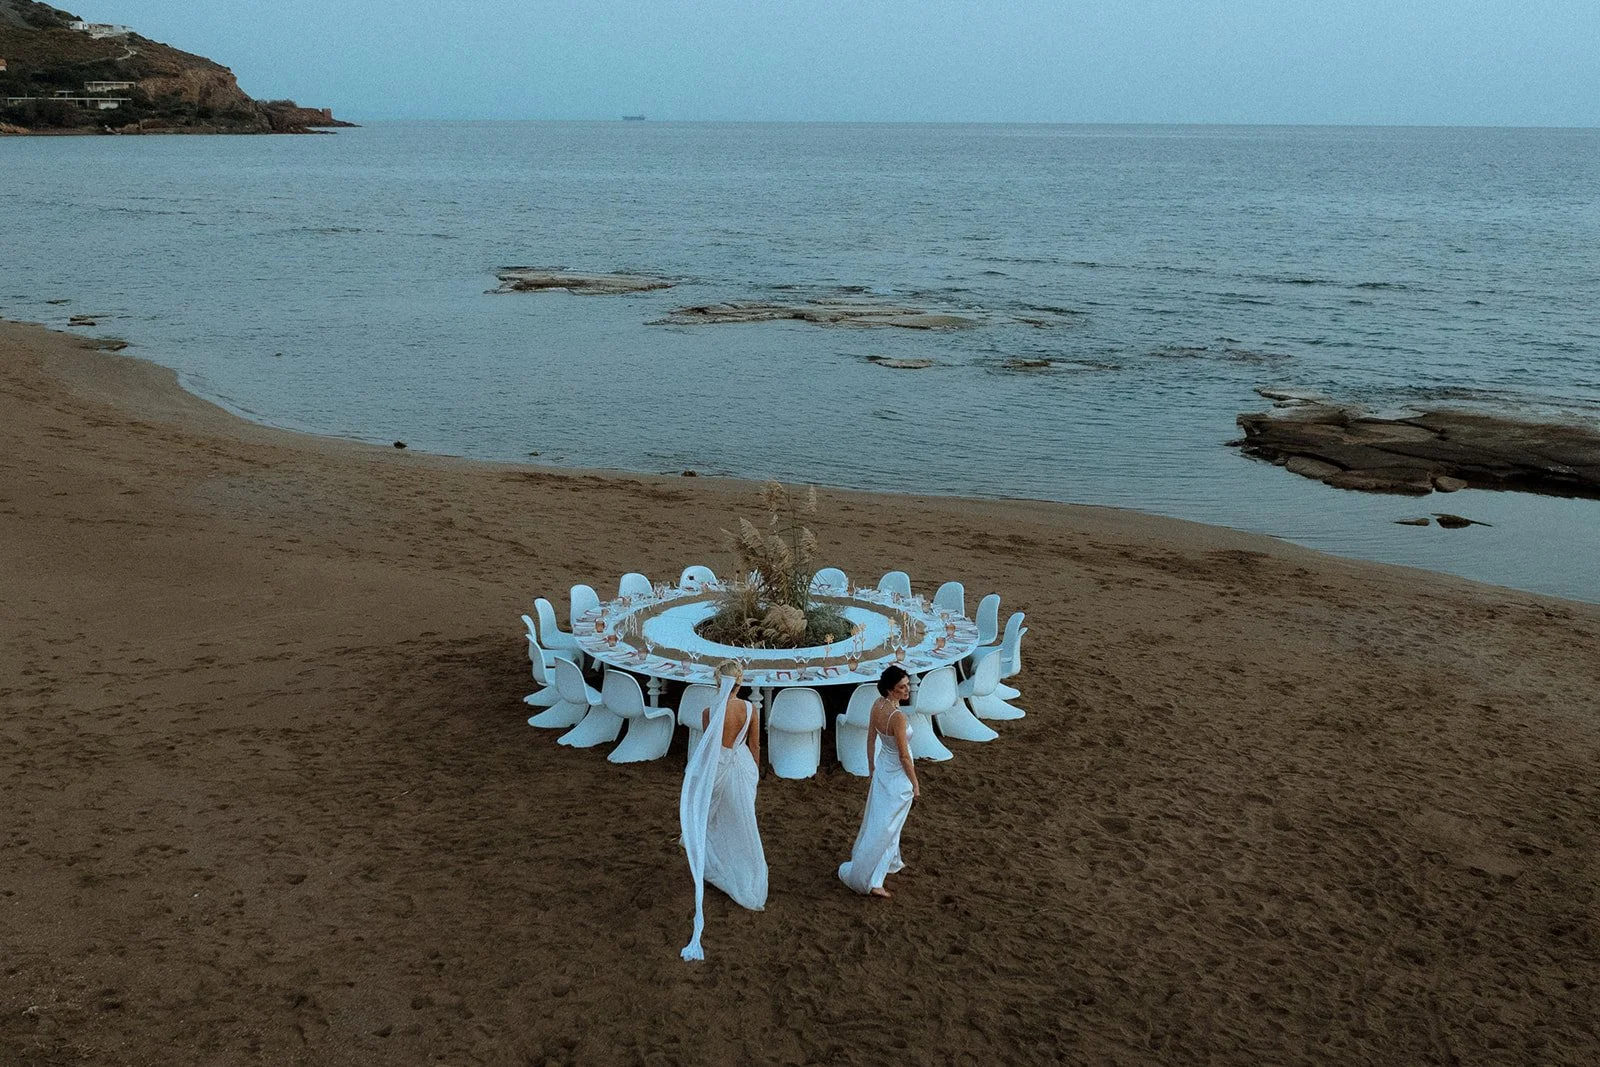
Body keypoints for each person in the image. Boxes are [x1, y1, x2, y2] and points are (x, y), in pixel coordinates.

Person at [678, 659, 768, 960]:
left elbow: (710, 747)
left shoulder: (709, 712)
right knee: (741, 820)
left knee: (711, 814)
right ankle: (739, 867)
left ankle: (711, 858)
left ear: (718, 683)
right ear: (740, 683)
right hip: (740, 765)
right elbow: (755, 747)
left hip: (718, 767)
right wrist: (753, 774)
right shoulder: (750, 710)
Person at [838, 664, 920, 898]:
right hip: (898, 774)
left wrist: (872, 768)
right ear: (890, 690)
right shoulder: (898, 718)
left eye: (907, 685)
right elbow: (904, 755)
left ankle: (892, 860)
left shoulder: (877, 705)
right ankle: (873, 880)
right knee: (888, 825)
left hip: (883, 768)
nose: (907, 690)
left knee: (881, 818)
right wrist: (915, 784)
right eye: (902, 687)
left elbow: (871, 739)